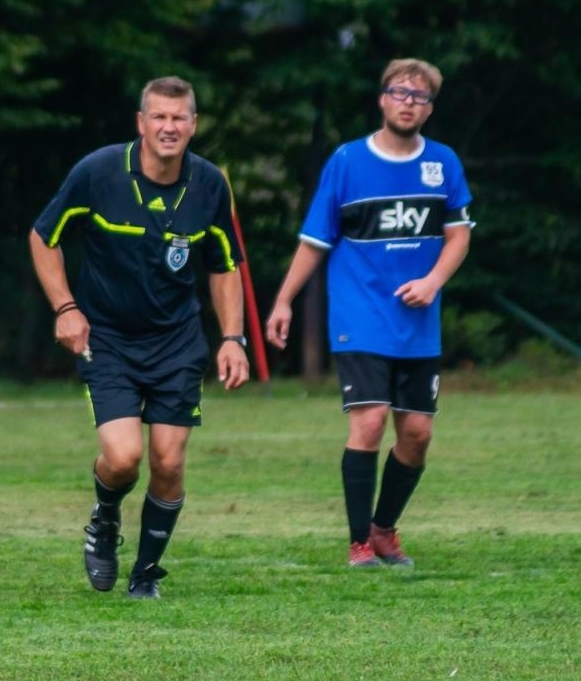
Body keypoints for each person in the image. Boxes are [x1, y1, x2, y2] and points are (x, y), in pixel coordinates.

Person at [29, 76, 249, 600]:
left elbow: (224, 265)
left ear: (193, 125)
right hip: (107, 339)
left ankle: (145, 575)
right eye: (159, 117)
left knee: (168, 463)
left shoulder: (209, 184)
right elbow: (43, 237)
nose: (169, 127)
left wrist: (233, 338)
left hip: (177, 342)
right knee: (124, 457)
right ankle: (105, 518)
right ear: (141, 123)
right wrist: (65, 308)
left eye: (179, 118)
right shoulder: (99, 172)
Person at [265, 58, 472, 568]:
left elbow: (458, 236)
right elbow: (315, 240)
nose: (408, 103)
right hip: (359, 315)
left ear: (429, 108)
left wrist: (432, 281)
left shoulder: (443, 163)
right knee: (371, 420)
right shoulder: (347, 161)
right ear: (382, 99)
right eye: (400, 92)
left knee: (417, 434)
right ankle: (359, 542)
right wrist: (284, 300)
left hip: (418, 323)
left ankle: (383, 530)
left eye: (420, 97)